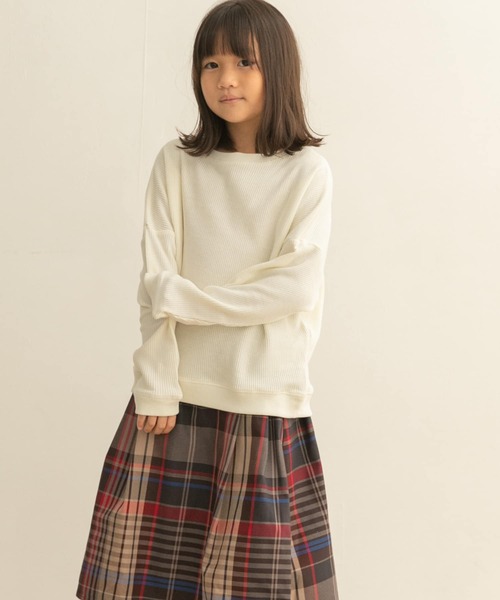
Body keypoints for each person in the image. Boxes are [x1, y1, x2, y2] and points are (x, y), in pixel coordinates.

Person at [76, 0, 340, 598]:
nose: (226, 79)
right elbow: (154, 282)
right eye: (211, 64)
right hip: (172, 402)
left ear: (278, 68)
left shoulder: (307, 172)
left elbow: (293, 288)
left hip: (263, 399)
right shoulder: (176, 164)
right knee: (137, 584)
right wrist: (155, 381)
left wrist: (185, 299)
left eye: (245, 62)